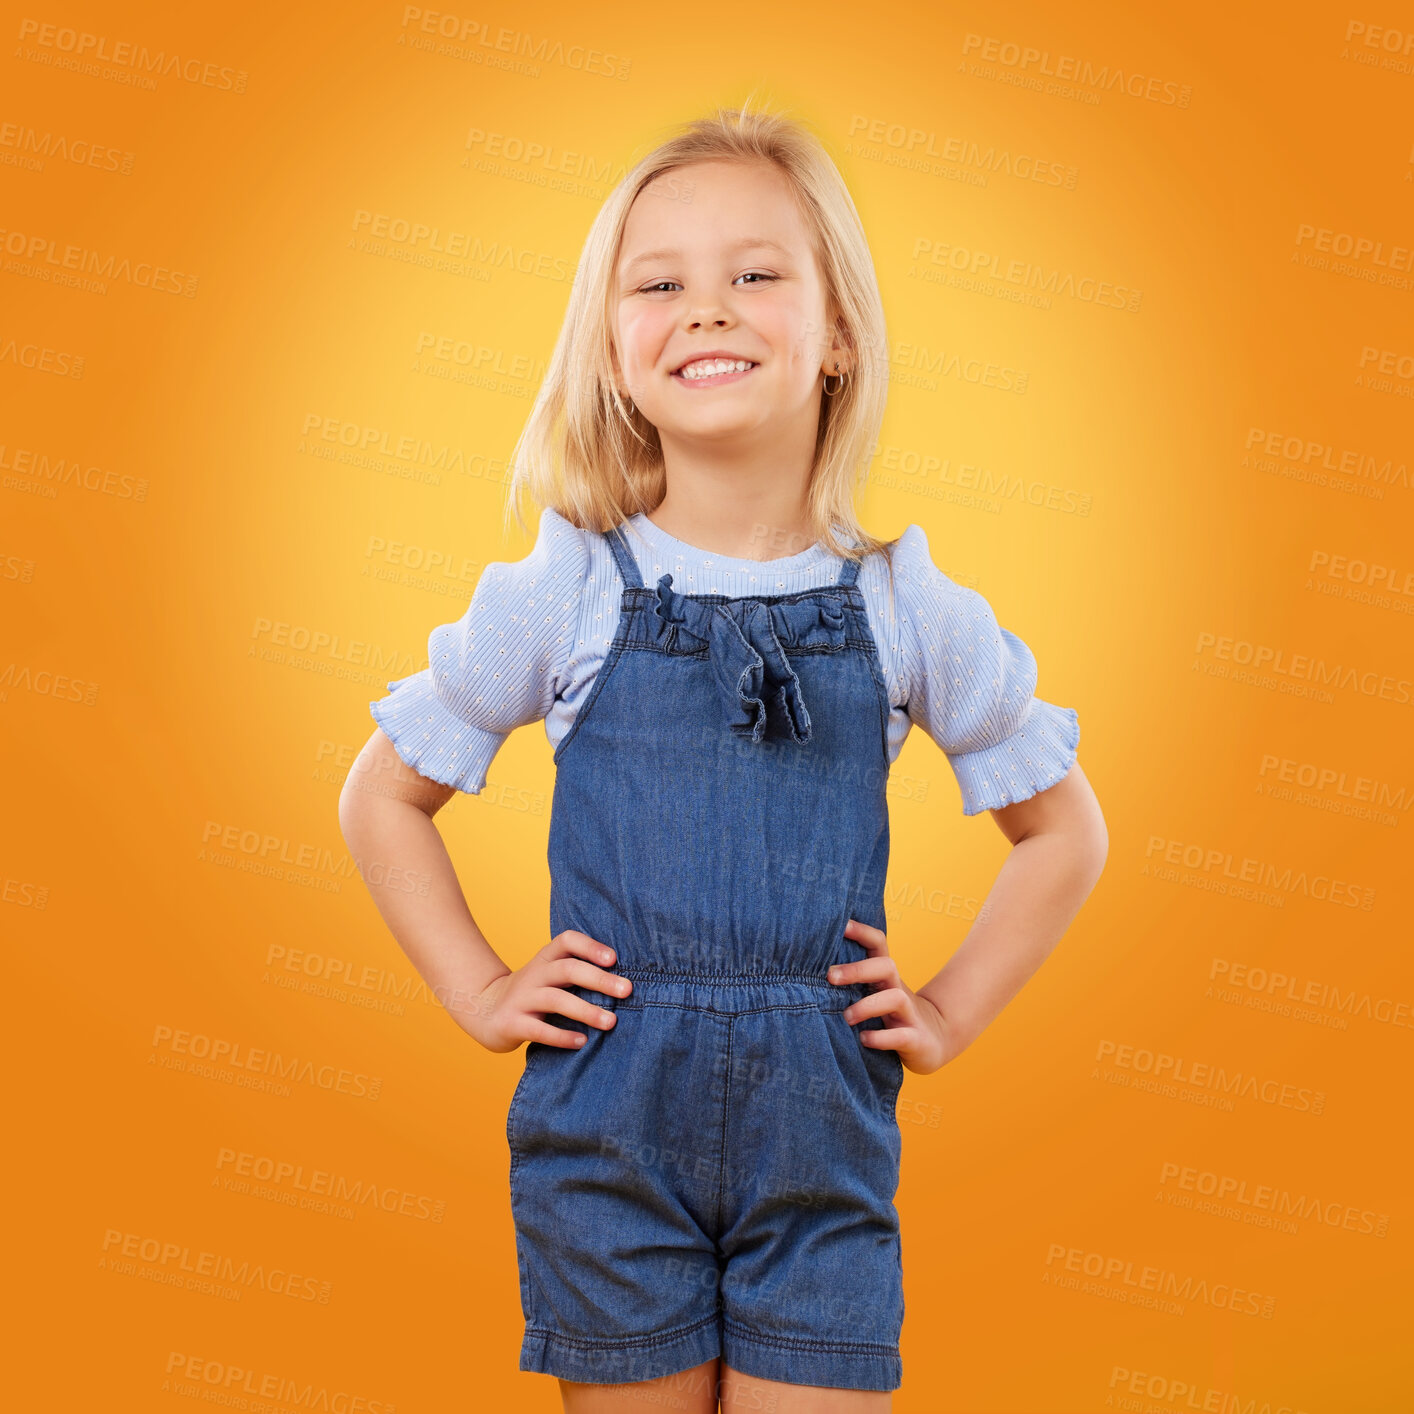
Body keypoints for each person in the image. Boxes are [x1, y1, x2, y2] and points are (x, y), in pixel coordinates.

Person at [339, 101, 1108, 1414]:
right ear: (613, 353)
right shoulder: (569, 583)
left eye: (755, 274)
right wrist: (477, 988)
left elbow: (1065, 832)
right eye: (660, 284)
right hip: (608, 1127)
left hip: (821, 1137)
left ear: (837, 336)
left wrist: (946, 1010)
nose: (707, 309)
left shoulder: (902, 602)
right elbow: (381, 795)